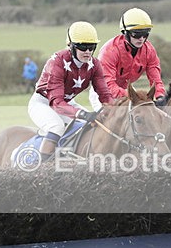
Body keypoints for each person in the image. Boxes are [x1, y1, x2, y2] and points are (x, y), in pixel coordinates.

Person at [28, 21, 114, 161]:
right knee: (56, 126)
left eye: (91, 47)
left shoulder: (95, 64)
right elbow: (56, 103)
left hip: (67, 102)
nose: (88, 51)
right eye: (82, 46)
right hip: (43, 103)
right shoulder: (57, 62)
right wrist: (82, 114)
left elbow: (105, 95)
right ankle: (42, 169)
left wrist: (117, 110)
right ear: (71, 46)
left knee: (89, 125)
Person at [89, 7, 165, 110]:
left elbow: (156, 79)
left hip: (126, 89)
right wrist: (133, 95)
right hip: (103, 90)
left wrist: (160, 96)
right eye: (136, 34)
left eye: (145, 33)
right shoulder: (110, 51)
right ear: (125, 32)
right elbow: (108, 84)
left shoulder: (149, 50)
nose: (141, 39)